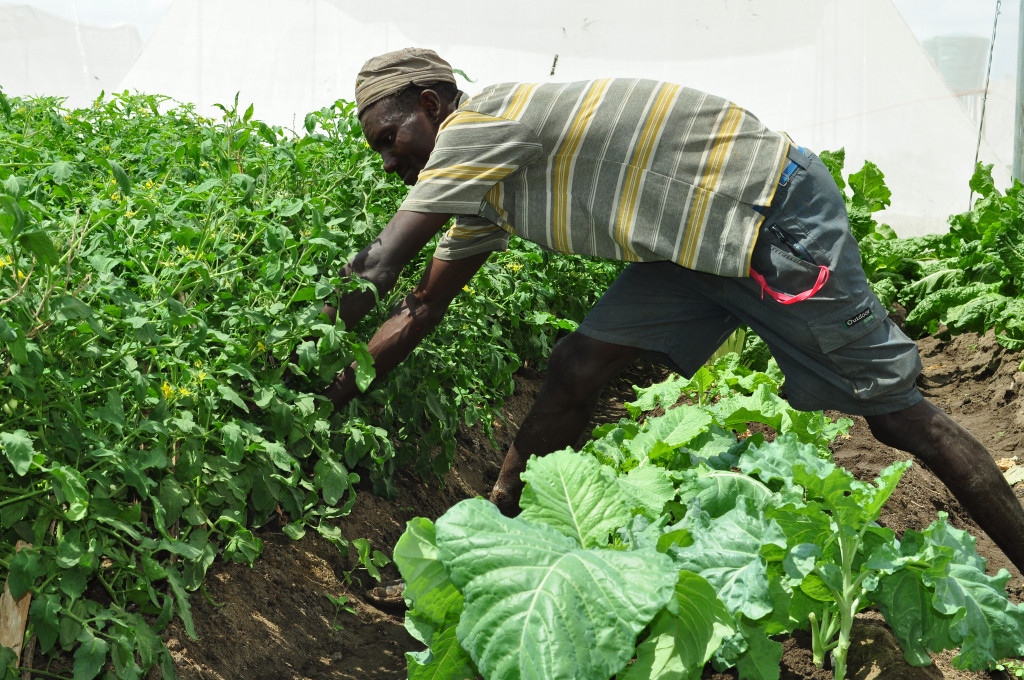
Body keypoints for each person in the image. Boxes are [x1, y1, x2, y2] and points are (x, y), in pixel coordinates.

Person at [320, 46, 1024, 575]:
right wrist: (328, 394)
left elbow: (381, 265)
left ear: (433, 105)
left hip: (765, 215)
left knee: (902, 420)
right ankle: (495, 531)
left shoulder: (479, 126)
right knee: (576, 365)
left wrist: (303, 347)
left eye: (390, 137)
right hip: (690, 247)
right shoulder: (483, 183)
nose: (389, 162)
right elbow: (420, 306)